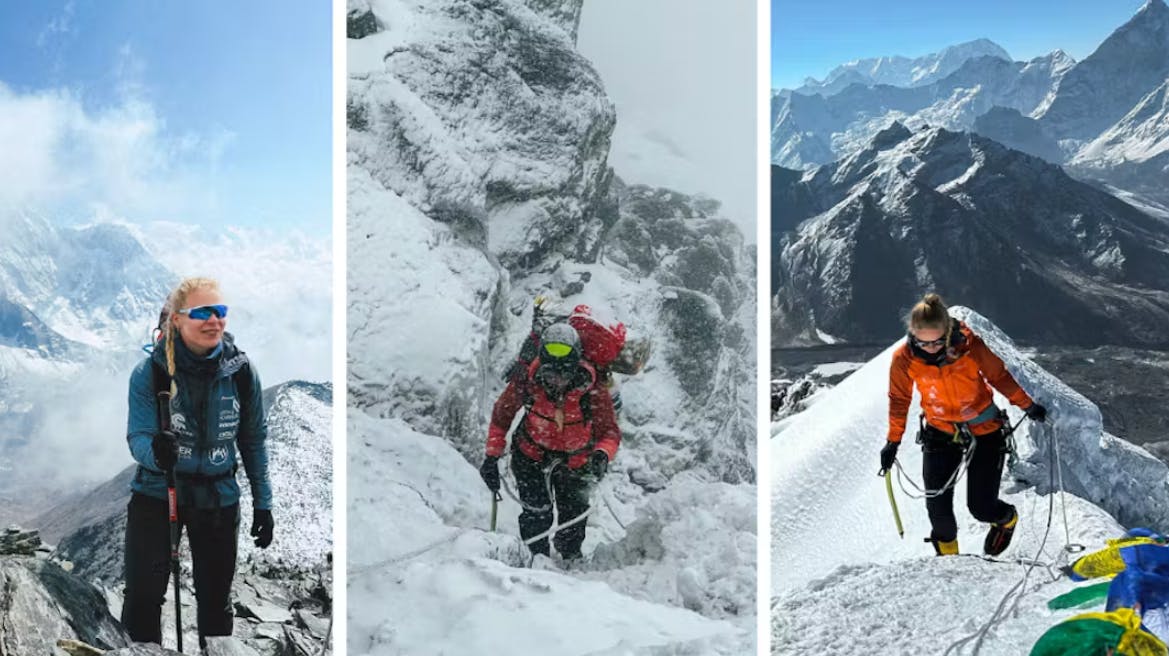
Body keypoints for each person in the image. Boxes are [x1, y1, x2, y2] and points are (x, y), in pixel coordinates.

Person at [122, 277, 274, 644]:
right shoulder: (151, 372)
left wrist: (263, 504)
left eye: (220, 311)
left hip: (218, 498)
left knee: (215, 603)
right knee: (142, 598)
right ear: (177, 320)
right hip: (159, 493)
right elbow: (138, 437)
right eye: (202, 312)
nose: (214, 321)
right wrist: (157, 454)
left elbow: (253, 439)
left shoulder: (239, 371)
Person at [881, 293, 1047, 557]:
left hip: (986, 431)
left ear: (948, 332)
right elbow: (899, 399)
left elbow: (998, 377)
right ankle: (952, 567)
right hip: (939, 433)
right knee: (939, 515)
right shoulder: (904, 358)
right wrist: (893, 441)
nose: (931, 348)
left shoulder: (970, 347)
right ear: (912, 336)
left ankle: (1005, 519)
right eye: (922, 342)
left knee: (981, 507)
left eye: (937, 341)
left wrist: (1026, 405)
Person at [479, 322, 621, 561]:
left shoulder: (593, 390)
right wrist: (492, 456)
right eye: (551, 374)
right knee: (536, 514)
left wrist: (601, 454)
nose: (557, 381)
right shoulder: (527, 381)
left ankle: (568, 558)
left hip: (577, 461)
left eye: (564, 374)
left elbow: (609, 432)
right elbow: (501, 416)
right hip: (531, 454)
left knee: (573, 517)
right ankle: (535, 559)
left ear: (575, 367)